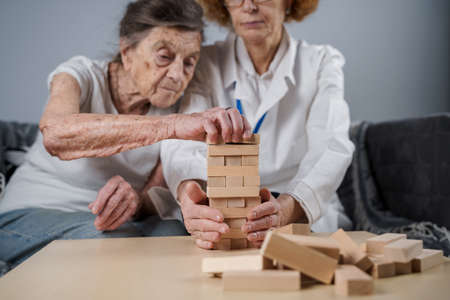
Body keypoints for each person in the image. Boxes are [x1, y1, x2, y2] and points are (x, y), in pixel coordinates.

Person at [0, 0, 251, 274]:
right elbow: (56, 134)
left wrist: (134, 201)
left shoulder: (178, 107)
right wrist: (171, 126)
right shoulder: (80, 74)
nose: (178, 75)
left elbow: (153, 194)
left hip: (113, 222)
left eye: (189, 62)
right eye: (164, 57)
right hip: (31, 212)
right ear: (127, 51)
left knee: (175, 237)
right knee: (114, 248)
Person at [160, 0, 355, 249]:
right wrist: (191, 194)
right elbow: (181, 144)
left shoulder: (321, 62)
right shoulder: (205, 63)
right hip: (222, 210)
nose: (249, 6)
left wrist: (286, 209)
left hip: (296, 206)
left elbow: (331, 146)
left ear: (289, 3)